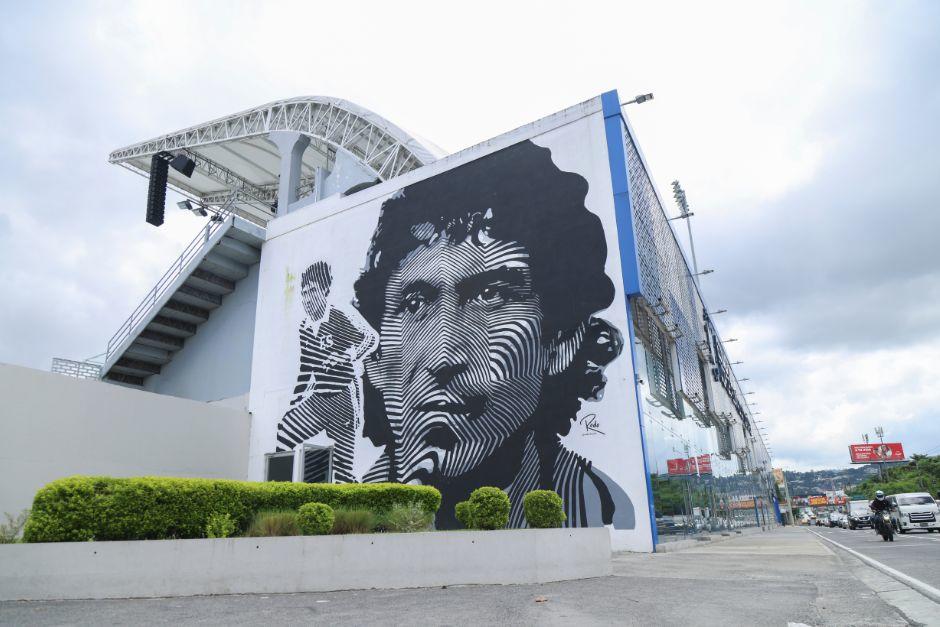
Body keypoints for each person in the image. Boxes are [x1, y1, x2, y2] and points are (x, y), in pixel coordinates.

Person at [353, 139, 634, 529]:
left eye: (490, 295)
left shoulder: (603, 510)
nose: (444, 356)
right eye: (415, 303)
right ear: (379, 362)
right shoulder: (348, 518)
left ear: (559, 341)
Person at [276, 261, 377, 483]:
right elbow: (305, 368)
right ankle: (278, 491)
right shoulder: (305, 327)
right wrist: (295, 401)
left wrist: (348, 355)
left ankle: (355, 500)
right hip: (319, 400)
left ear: (324, 290)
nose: (307, 298)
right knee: (285, 431)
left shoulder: (340, 315)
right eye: (303, 293)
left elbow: (371, 338)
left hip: (343, 401)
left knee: (343, 472)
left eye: (311, 291)